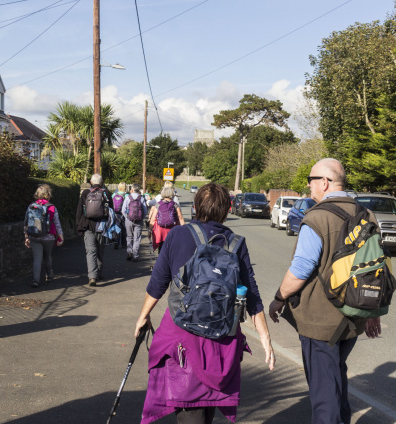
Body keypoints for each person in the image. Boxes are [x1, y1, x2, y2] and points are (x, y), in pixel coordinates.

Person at [134, 183, 275, 424]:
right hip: (222, 339)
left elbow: (158, 283)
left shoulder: (178, 235)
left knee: (190, 409)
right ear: (225, 209)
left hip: (183, 336)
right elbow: (251, 293)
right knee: (207, 407)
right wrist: (265, 337)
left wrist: (143, 316)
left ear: (197, 206)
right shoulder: (235, 243)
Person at [268, 158, 382, 424]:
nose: (308, 186)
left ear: (325, 182)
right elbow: (377, 268)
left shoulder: (317, 217)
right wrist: (373, 312)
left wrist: (278, 299)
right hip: (355, 315)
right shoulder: (366, 216)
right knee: (336, 375)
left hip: (321, 321)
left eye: (310, 180)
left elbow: (301, 270)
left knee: (323, 392)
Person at [76, 173, 113, 287]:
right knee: (100, 250)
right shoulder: (106, 193)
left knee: (91, 251)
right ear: (101, 182)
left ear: (91, 182)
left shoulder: (86, 193)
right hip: (102, 226)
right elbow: (111, 211)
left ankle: (92, 277)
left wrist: (78, 225)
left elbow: (79, 210)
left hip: (88, 225)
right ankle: (99, 273)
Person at [24, 184, 64, 288]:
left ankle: (36, 280)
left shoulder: (31, 206)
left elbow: (26, 223)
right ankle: (49, 275)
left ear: (37, 195)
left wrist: (26, 237)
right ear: (48, 195)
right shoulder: (52, 207)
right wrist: (60, 236)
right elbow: (57, 223)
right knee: (47, 256)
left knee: (37, 258)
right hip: (49, 237)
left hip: (34, 236)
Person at [148, 186, 185, 253]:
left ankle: (162, 261)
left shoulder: (158, 204)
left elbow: (153, 219)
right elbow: (180, 218)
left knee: (161, 249)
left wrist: (150, 230)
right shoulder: (175, 205)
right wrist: (184, 230)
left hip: (161, 231)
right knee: (171, 249)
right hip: (172, 230)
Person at [122, 183, 148, 261]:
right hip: (139, 221)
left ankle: (129, 252)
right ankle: (135, 255)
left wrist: (127, 218)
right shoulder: (141, 198)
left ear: (132, 189)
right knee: (137, 238)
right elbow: (145, 210)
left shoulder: (128, 197)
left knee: (129, 237)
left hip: (129, 220)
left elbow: (123, 210)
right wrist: (142, 218)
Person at [112, 182, 128, 250]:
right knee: (124, 229)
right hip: (123, 214)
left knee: (117, 228)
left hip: (115, 214)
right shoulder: (126, 195)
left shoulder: (114, 195)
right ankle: (124, 243)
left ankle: (116, 241)